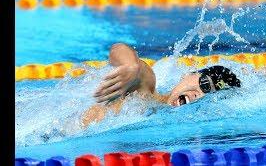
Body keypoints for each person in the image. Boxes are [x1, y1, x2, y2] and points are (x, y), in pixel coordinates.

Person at [81, 43, 241, 128]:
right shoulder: (146, 90)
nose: (198, 95)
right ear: (187, 75)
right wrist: (131, 66)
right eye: (205, 84)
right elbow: (118, 49)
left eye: (209, 96)